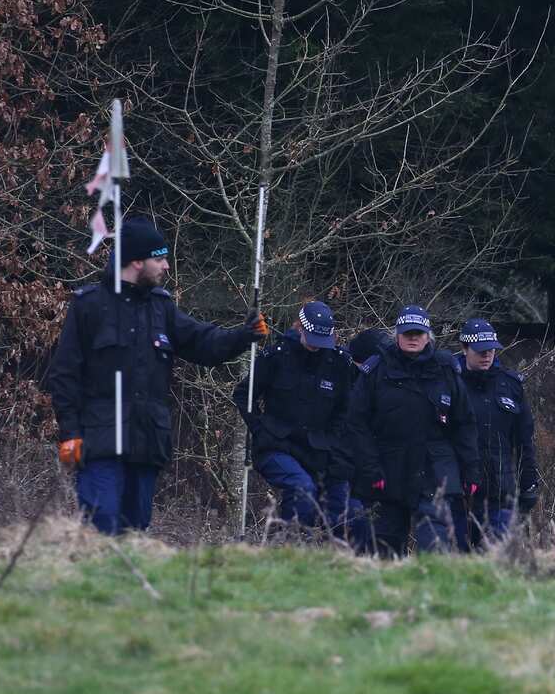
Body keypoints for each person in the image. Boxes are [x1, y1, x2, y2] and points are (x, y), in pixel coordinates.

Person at [44, 217, 268, 536]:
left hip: (146, 444)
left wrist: (243, 336)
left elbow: (203, 343)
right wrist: (70, 433)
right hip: (98, 444)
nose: (166, 266)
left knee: (134, 534)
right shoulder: (88, 306)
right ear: (137, 261)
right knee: (100, 527)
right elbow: (64, 375)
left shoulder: (162, 308)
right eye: (159, 259)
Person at [348, 305, 479, 556]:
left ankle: (432, 582)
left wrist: (470, 469)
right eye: (407, 333)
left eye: (418, 333)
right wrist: (369, 467)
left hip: (436, 470)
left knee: (435, 548)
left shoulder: (446, 369)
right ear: (397, 335)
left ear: (428, 336)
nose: (413, 338)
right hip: (389, 470)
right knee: (385, 550)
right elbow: (357, 422)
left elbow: (464, 424)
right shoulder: (376, 370)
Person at [232, 301, 355, 536]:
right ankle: (290, 543)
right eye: (313, 339)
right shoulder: (276, 356)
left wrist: (333, 439)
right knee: (302, 488)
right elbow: (243, 395)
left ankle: (323, 550)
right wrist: (260, 429)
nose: (317, 346)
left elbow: (345, 409)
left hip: (319, 450)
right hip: (277, 445)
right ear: (300, 328)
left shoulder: (339, 363)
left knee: (345, 505)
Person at [450, 318, 539, 551]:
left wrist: (529, 483)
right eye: (480, 351)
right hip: (458, 491)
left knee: (496, 558)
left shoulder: (510, 385)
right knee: (456, 558)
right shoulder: (449, 382)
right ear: (464, 349)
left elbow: (524, 441)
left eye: (490, 350)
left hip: (500, 490)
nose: (487, 355)